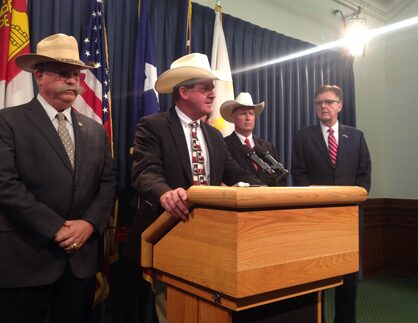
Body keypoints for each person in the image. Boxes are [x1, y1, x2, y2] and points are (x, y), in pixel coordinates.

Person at [123, 53, 262, 322]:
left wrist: (261, 190)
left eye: (212, 88)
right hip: (167, 236)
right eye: (206, 88)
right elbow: (144, 172)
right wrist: (165, 193)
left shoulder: (213, 135)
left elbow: (235, 173)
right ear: (184, 92)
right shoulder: (152, 126)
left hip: (210, 239)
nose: (213, 93)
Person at [0, 33, 117, 323]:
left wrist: (88, 224)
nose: (73, 81)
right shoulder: (8, 121)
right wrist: (56, 228)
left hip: (80, 263)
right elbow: (5, 184)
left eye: (76, 74)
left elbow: (108, 183)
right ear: (39, 76)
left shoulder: (94, 129)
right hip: (26, 259)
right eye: (63, 73)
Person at [291, 84, 371, 323]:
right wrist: (318, 202)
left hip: (349, 219)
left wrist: (352, 200)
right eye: (318, 103)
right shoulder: (303, 136)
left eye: (328, 102)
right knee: (316, 279)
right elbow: (298, 173)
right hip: (316, 219)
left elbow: (364, 175)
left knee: (348, 281)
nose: (323, 106)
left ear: (340, 106)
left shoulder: (356, 136)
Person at [221, 92, 286, 186]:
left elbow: (280, 178)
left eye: (251, 114)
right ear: (233, 117)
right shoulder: (224, 145)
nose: (248, 118)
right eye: (243, 114)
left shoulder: (267, 146)